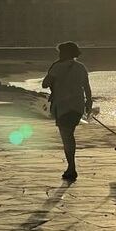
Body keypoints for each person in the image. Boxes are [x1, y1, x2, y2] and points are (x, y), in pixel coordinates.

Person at [42, 41, 92, 181]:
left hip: (63, 106)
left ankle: (71, 168)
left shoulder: (57, 67)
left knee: (67, 136)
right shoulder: (81, 67)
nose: (59, 54)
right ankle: (71, 167)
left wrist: (52, 74)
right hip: (77, 106)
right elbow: (87, 88)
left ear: (64, 53)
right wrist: (89, 102)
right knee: (69, 134)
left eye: (60, 52)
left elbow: (45, 84)